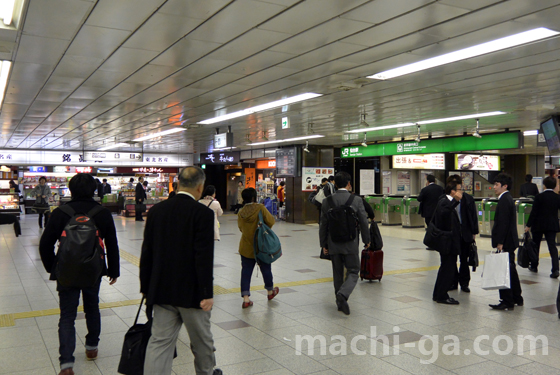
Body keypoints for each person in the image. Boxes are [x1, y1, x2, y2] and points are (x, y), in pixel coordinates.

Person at [140, 166, 221, 375]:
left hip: (161, 290)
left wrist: (146, 287)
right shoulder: (203, 213)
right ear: (201, 187)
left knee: (159, 343)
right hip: (192, 294)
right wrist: (207, 293)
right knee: (202, 342)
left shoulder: (156, 211)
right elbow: (203, 256)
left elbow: (146, 252)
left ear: (177, 184)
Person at [39, 173, 119, 375]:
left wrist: (53, 268)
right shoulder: (102, 213)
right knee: (92, 307)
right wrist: (113, 270)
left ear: (70, 190)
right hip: (94, 269)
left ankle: (66, 363)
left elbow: (45, 244)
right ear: (94, 190)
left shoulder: (60, 212)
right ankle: (92, 348)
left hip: (66, 270)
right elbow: (112, 244)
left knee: (67, 315)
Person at [319, 171, 369, 315]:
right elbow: (364, 222)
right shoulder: (356, 200)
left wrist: (323, 245)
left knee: (337, 273)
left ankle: (339, 302)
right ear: (348, 184)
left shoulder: (327, 201)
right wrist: (367, 240)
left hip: (333, 243)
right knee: (353, 270)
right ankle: (343, 295)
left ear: (334, 184)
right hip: (351, 243)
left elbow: (323, 225)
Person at [237, 187, 279, 308]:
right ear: (253, 197)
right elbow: (271, 221)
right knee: (266, 268)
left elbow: (240, 228)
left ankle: (246, 299)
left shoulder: (241, 212)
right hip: (261, 245)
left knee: (245, 271)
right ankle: (270, 292)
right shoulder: (260, 208)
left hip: (246, 246)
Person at [490, 173, 523, 310]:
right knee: (510, 269)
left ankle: (507, 300)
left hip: (505, 242)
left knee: (503, 271)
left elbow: (503, 223)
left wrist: (499, 242)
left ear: (505, 186)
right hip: (510, 241)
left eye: (497, 185)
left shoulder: (504, 200)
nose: (494, 187)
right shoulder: (508, 198)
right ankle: (517, 297)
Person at [431, 181, 462, 305]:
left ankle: (438, 293)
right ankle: (442, 296)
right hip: (447, 242)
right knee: (447, 269)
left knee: (445, 268)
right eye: (459, 189)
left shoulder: (446, 202)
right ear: (453, 191)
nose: (461, 192)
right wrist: (455, 201)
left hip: (449, 241)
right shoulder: (444, 201)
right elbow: (444, 214)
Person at [447, 175, 479, 292]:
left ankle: (464, 283)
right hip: (451, 234)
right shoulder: (446, 200)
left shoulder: (468, 199)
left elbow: (473, 216)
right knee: (452, 260)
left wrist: (474, 232)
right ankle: (453, 282)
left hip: (465, 233)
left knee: (464, 260)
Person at [525, 176, 560, 277]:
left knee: (536, 246)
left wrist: (528, 225)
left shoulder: (539, 197)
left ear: (544, 185)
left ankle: (534, 266)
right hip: (552, 225)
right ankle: (555, 270)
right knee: (552, 247)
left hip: (538, 225)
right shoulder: (557, 197)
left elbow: (534, 213)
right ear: (554, 186)